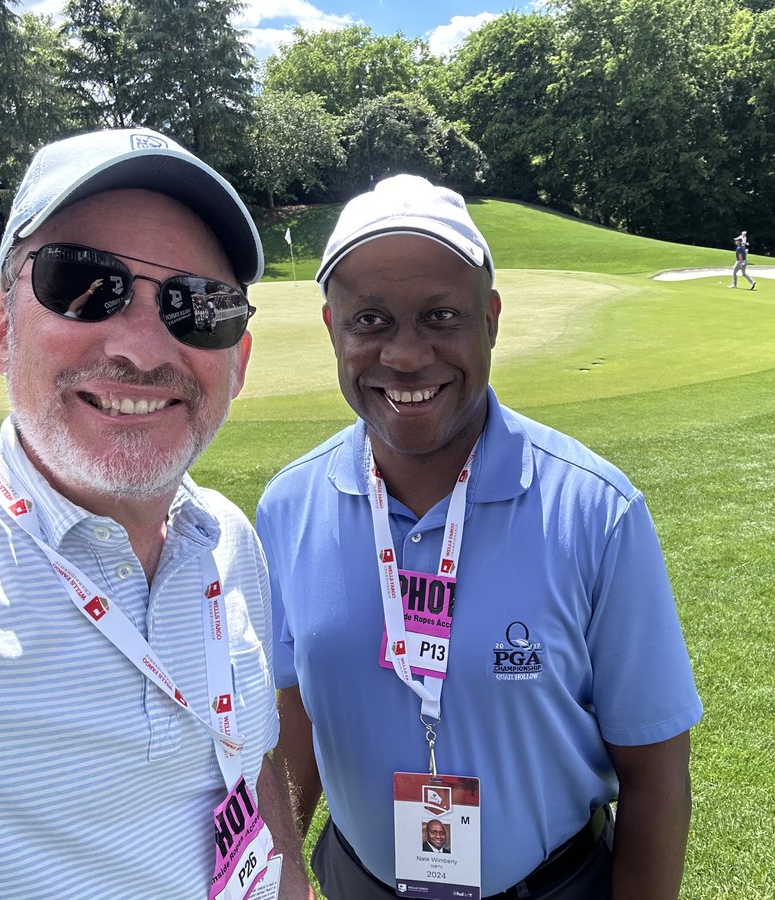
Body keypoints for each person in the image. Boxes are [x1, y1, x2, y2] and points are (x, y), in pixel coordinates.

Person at [0, 128, 312, 899]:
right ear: (1, 330)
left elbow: (245, 760)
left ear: (235, 360)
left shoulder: (229, 540)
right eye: (81, 284)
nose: (141, 347)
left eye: (197, 306)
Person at [257, 174, 702, 900]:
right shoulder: (287, 507)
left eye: (439, 315)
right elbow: (295, 718)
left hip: (553, 886)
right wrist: (275, 873)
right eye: (369, 320)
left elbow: (655, 773)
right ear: (332, 328)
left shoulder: (595, 509)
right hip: (359, 882)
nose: (404, 356)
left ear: (489, 319)